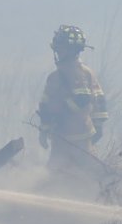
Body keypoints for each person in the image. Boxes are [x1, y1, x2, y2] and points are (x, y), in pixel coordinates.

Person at [36, 25, 108, 174]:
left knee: (61, 174)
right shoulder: (83, 73)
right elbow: (45, 106)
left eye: (60, 48)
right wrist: (44, 128)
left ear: (71, 50)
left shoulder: (74, 73)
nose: (57, 52)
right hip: (66, 137)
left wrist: (59, 117)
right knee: (68, 174)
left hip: (74, 138)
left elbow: (84, 99)